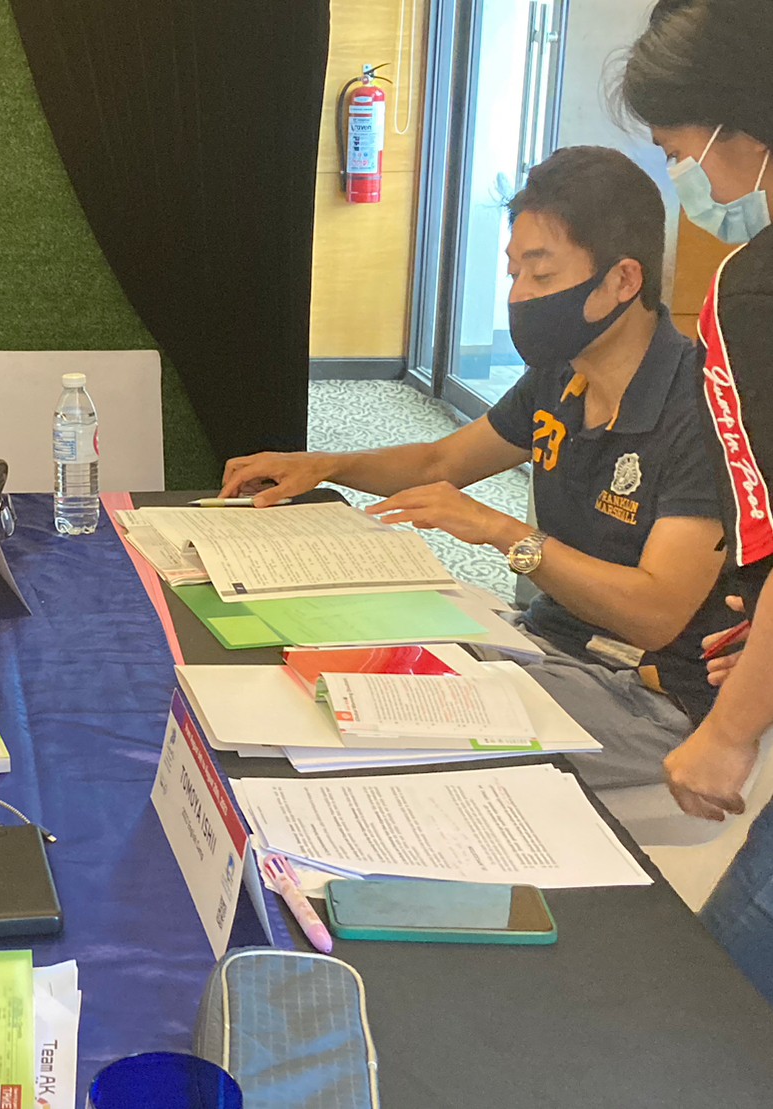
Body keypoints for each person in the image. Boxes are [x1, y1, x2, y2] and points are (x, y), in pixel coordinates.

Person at [221, 145, 733, 792]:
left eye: (540, 276)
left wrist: (500, 531)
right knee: (331, 662)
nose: (518, 296)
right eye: (513, 273)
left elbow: (655, 613)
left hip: (650, 699)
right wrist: (326, 465)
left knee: (375, 735)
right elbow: (442, 460)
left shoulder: (703, 410)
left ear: (623, 280)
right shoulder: (560, 375)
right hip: (545, 642)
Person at [617, 0, 773, 1003]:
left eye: (684, 154)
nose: (698, 186)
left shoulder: (753, 294)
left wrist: (728, 731)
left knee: (717, 1005)